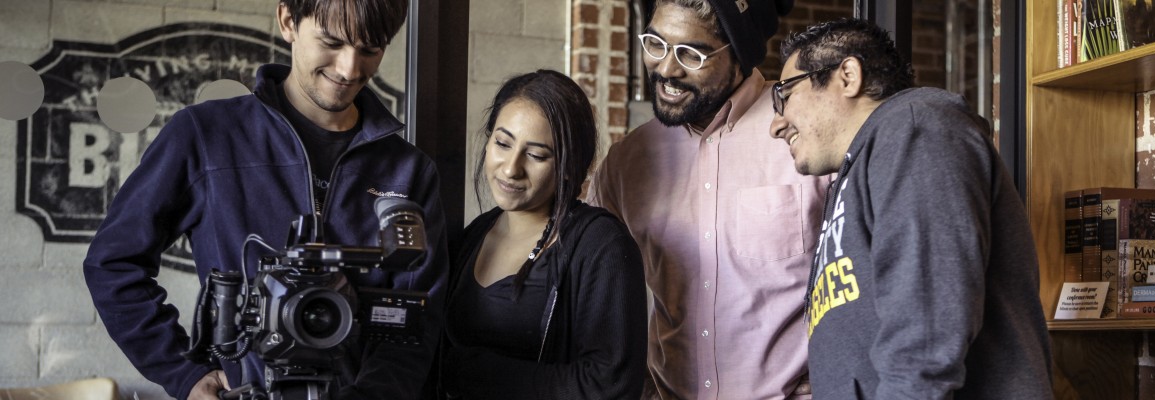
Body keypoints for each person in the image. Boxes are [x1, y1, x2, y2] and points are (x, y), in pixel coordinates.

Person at [82, 0, 448, 399]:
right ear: (288, 20)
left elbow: (416, 318)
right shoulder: (206, 135)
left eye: (370, 50)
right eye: (331, 41)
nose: (349, 69)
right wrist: (183, 373)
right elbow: (113, 263)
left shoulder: (409, 171)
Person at [769, 18, 1053, 399]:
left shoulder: (916, 128)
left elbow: (925, 338)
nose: (777, 123)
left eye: (785, 94)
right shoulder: (863, 167)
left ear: (847, 76)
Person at [586, 0, 831, 398]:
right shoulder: (626, 163)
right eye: (656, 44)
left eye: (690, 53)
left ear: (739, 54)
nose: (666, 69)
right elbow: (594, 301)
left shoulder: (805, 132)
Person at [439, 70, 647, 399]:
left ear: (568, 165)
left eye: (536, 155)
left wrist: (477, 374)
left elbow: (611, 382)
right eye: (503, 143)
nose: (510, 168)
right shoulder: (473, 236)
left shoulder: (599, 244)